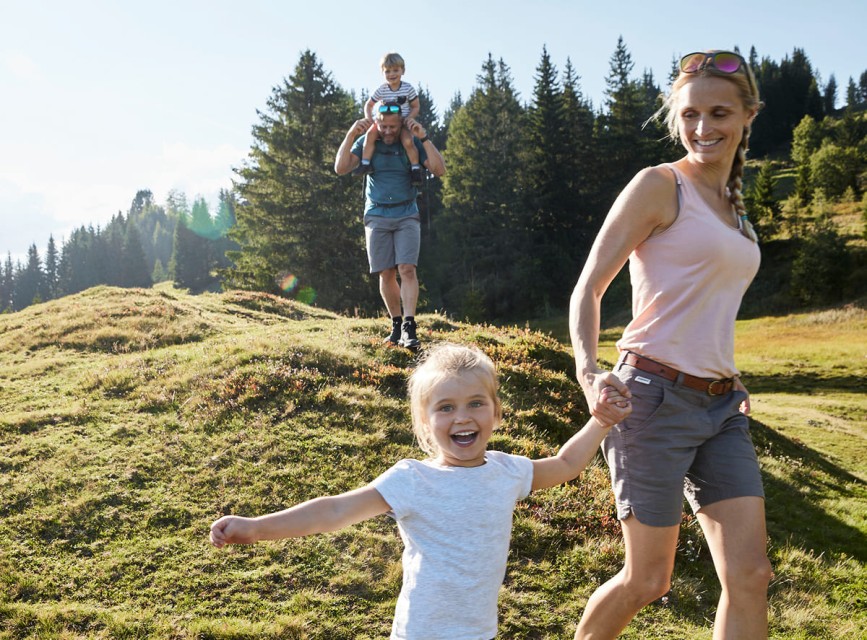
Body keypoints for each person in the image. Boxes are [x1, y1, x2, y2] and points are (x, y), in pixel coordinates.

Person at [210, 342, 631, 640]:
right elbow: (334, 511)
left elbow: (565, 465)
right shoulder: (412, 480)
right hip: (421, 631)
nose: (462, 417)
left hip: (479, 631)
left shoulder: (507, 471)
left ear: (496, 412)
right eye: (445, 407)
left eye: (475, 403)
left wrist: (602, 421)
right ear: (426, 422)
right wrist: (255, 527)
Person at [568, 50, 773, 639]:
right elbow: (589, 288)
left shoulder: (736, 211)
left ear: (747, 116)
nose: (703, 128)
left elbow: (707, 305)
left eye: (719, 113)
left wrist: (728, 374)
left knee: (751, 574)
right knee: (648, 580)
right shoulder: (660, 186)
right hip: (651, 398)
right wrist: (588, 373)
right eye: (690, 115)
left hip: (720, 407)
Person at [334, 99, 445, 350]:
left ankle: (409, 325)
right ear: (377, 123)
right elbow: (340, 168)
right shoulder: (367, 143)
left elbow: (440, 170)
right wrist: (352, 133)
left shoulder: (411, 143)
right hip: (376, 215)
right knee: (385, 272)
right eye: (383, 126)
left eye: (393, 127)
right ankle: (396, 325)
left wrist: (424, 138)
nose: (387, 131)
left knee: (406, 268)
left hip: (407, 214)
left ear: (400, 124)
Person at [359, 52, 424, 187]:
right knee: (370, 135)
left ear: (402, 71)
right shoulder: (382, 89)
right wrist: (369, 118)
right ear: (382, 73)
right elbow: (369, 104)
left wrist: (409, 118)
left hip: (402, 123)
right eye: (387, 71)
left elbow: (416, 106)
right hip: (384, 121)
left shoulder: (408, 89)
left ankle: (415, 168)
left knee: (407, 140)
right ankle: (365, 163)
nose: (391, 74)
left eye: (395, 70)